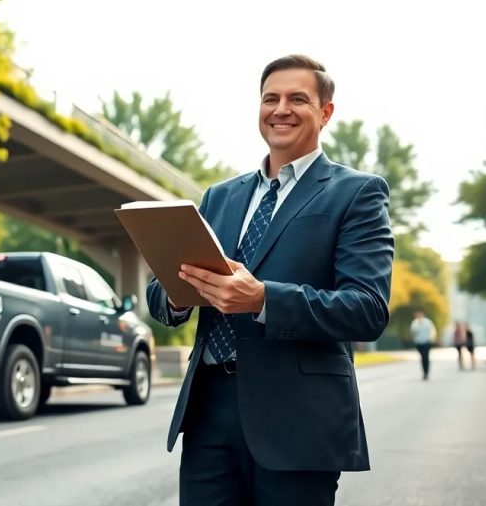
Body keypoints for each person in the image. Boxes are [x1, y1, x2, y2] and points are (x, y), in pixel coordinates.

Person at [147, 55, 393, 506]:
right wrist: (180, 293)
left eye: (297, 99)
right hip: (208, 414)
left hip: (298, 420)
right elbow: (161, 297)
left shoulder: (357, 192)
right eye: (270, 99)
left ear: (325, 112)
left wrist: (262, 299)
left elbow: (367, 309)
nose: (281, 109)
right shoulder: (219, 196)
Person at [409, 310, 435, 380]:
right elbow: (412, 331)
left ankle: (426, 373)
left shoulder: (428, 322)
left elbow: (432, 331)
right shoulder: (415, 323)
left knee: (425, 357)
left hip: (426, 342)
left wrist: (431, 339)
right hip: (419, 343)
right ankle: (424, 371)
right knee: (422, 357)